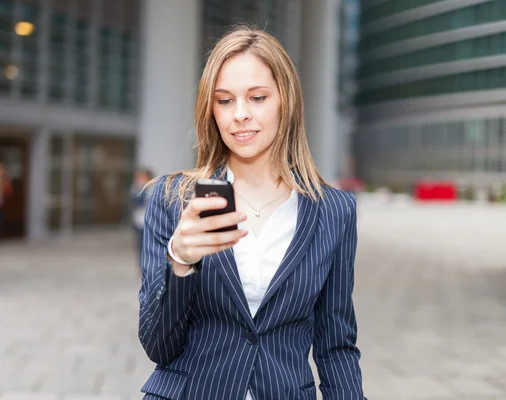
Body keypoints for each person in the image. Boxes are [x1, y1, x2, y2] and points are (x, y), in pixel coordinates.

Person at [138, 26, 365, 400]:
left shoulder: (335, 212)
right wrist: (180, 262)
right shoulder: (172, 200)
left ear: (285, 101)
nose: (240, 115)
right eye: (224, 101)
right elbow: (158, 347)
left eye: (257, 97)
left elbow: (336, 345)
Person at [130, 167, 155, 267]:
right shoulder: (136, 189)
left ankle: (149, 265)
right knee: (140, 245)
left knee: (149, 245)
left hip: (151, 221)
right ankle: (142, 266)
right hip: (139, 221)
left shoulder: (153, 188)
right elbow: (137, 202)